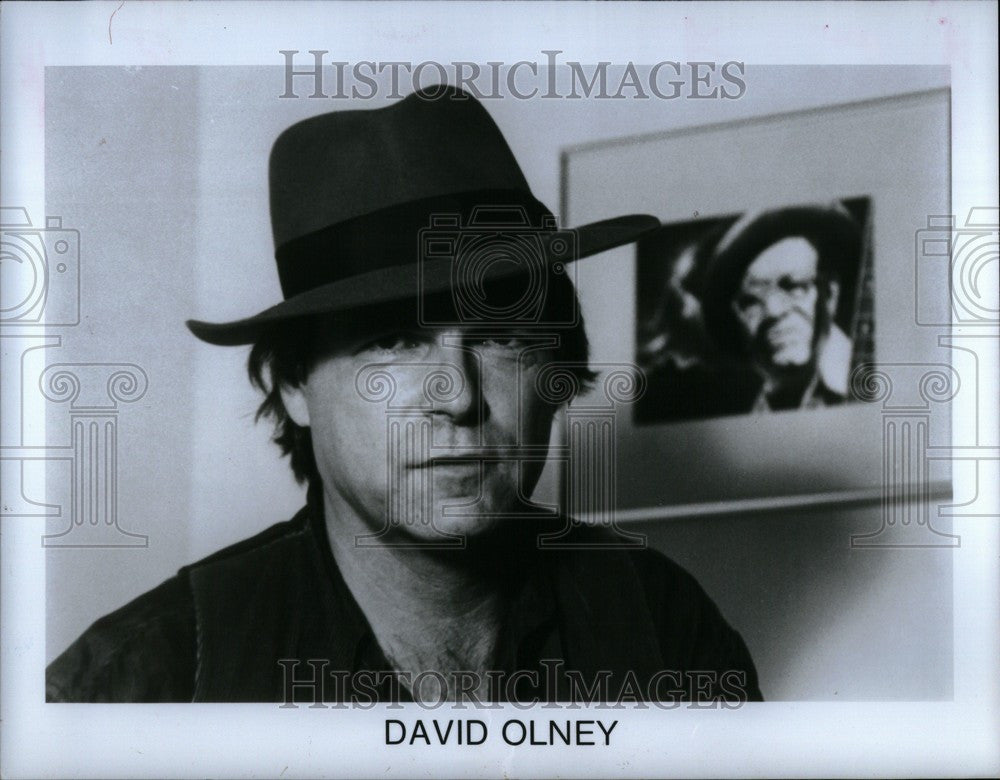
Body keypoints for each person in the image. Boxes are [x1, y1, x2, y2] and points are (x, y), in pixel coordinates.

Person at [46, 86, 762, 704]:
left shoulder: (662, 628)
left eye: (500, 337)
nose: (457, 398)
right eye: (391, 341)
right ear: (295, 384)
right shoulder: (153, 678)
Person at [700, 205, 862, 413]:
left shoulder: (877, 374)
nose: (774, 310)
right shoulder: (757, 411)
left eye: (793, 287)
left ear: (830, 294)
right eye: (751, 302)